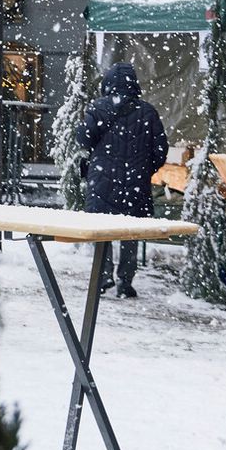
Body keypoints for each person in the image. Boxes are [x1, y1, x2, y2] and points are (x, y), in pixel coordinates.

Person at [79, 63, 169, 298]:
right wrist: (144, 169)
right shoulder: (148, 112)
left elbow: (83, 139)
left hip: (102, 183)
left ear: (107, 84)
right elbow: (161, 150)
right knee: (132, 232)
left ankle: (103, 275)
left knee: (103, 231)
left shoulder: (97, 108)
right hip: (135, 183)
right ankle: (125, 281)